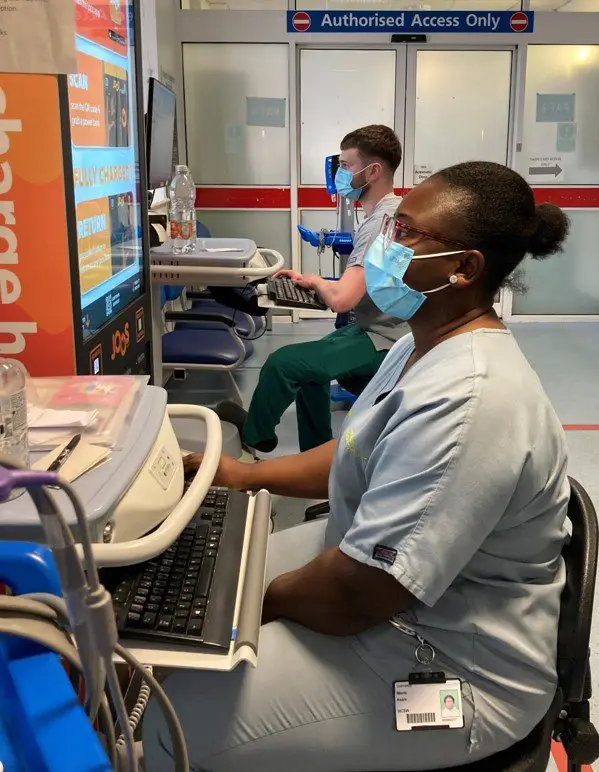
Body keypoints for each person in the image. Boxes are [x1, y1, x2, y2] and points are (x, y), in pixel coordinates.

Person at [143, 161, 570, 771]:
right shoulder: (418, 343)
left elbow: (356, 594)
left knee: (166, 712)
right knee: (206, 577)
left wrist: (250, 606)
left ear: (463, 268)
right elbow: (355, 453)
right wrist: (244, 476)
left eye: (408, 234)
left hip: (456, 664)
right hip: (401, 593)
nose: (386, 246)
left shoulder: (473, 402)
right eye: (392, 226)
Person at [217, 124, 408, 454]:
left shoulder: (380, 222)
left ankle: (253, 438)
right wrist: (311, 283)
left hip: (386, 340)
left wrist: (318, 283)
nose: (340, 174)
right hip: (376, 327)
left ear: (373, 171)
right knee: (310, 374)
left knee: (283, 363)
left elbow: (343, 300)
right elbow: (361, 286)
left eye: (346, 166)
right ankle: (316, 454)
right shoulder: (387, 212)